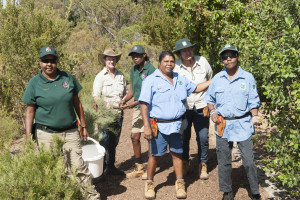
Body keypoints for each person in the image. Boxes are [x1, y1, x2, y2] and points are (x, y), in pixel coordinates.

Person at [22, 46, 100, 199]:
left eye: (52, 61)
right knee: (53, 170)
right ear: (40, 62)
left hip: (70, 132)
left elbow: (77, 103)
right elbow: (30, 112)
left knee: (78, 166)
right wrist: (27, 138)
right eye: (45, 61)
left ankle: (91, 196)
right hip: (46, 134)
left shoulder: (67, 78)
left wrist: (83, 125)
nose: (49, 64)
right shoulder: (34, 83)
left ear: (57, 61)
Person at [139, 51, 211, 199]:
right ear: (159, 63)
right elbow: (144, 104)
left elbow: (195, 88)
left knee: (177, 154)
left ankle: (179, 183)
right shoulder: (151, 80)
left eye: (171, 61)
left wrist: (213, 81)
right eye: (166, 61)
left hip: (178, 124)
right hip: (158, 125)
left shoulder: (179, 78)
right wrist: (146, 125)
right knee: (154, 156)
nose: (169, 64)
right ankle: (149, 183)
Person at [203, 44, 262, 200]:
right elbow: (209, 99)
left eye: (231, 55)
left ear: (238, 57)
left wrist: (254, 115)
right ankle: (227, 191)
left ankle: (255, 191)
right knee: (223, 161)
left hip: (243, 123)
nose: (228, 59)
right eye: (225, 56)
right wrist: (213, 111)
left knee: (248, 161)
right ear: (222, 60)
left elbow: (253, 100)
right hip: (223, 124)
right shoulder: (217, 78)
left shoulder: (248, 77)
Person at [173, 38, 213, 179]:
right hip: (184, 108)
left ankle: (203, 164)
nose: (187, 52)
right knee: (184, 137)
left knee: (203, 137)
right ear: (179, 53)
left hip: (202, 106)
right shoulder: (175, 66)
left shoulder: (202, 61)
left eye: (189, 49)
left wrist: (211, 101)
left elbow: (211, 79)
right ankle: (185, 163)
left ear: (193, 49)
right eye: (184, 51)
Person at [119, 45, 155, 179]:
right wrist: (124, 100)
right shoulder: (133, 70)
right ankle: (139, 165)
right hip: (137, 108)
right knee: (134, 136)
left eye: (138, 55)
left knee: (149, 137)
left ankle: (151, 166)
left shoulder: (151, 70)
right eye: (133, 56)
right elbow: (132, 91)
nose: (135, 58)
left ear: (144, 55)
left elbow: (152, 93)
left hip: (149, 108)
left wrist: (135, 102)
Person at [92, 48, 127, 176]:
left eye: (113, 58)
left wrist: (124, 100)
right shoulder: (100, 77)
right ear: (105, 61)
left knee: (115, 141)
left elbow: (124, 93)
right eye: (109, 59)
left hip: (118, 114)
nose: (111, 61)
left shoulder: (121, 75)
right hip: (105, 115)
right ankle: (101, 169)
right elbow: (96, 96)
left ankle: (111, 166)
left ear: (116, 60)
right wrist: (104, 104)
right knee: (105, 141)